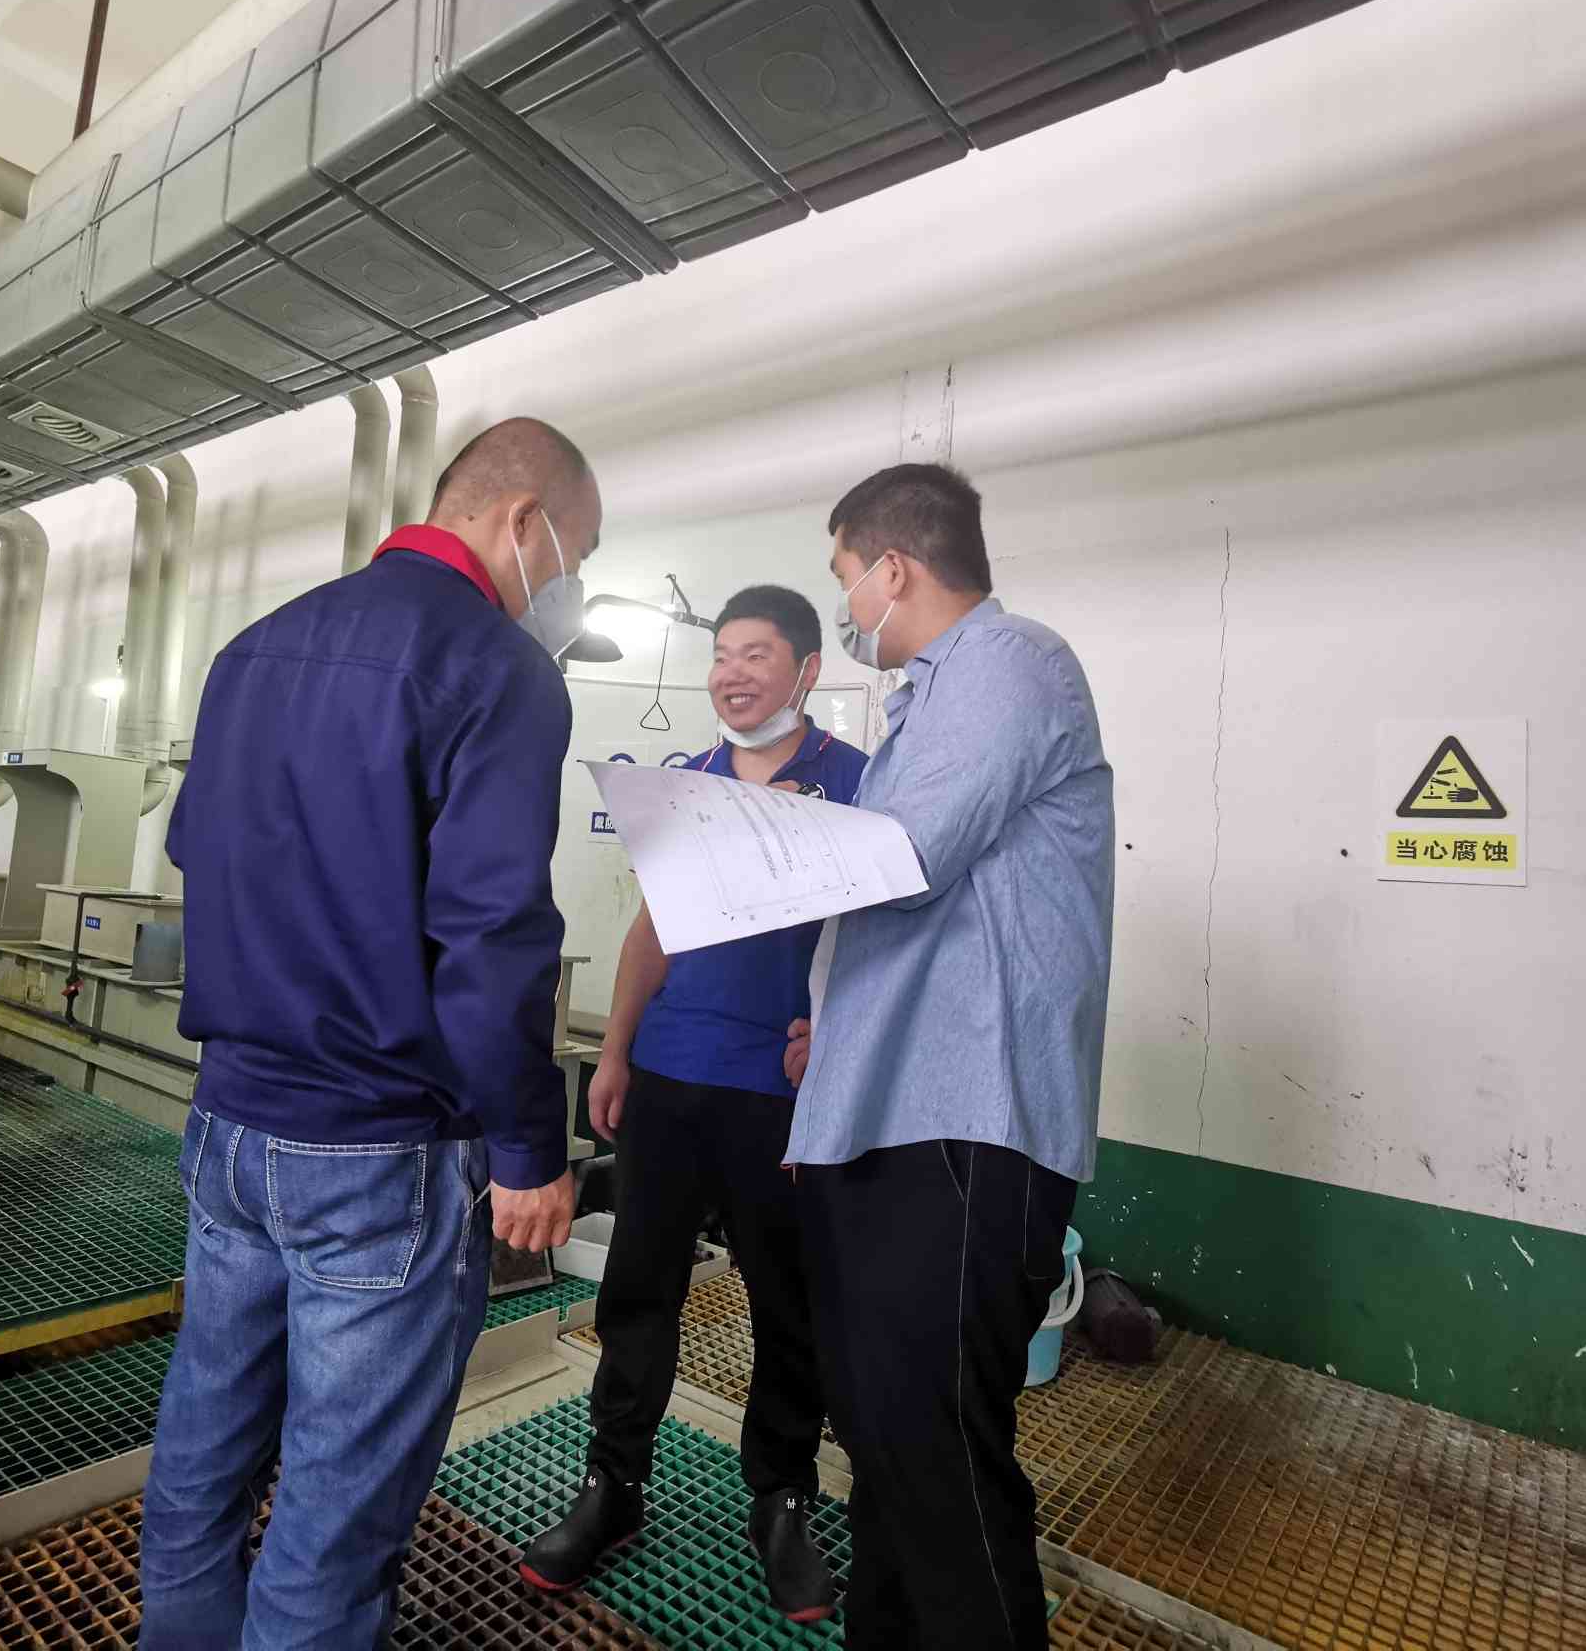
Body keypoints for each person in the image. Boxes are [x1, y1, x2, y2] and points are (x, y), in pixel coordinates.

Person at [140, 419, 601, 1649]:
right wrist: (530, 1147)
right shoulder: (502, 671)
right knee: (337, 1510)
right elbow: (494, 936)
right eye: (579, 553)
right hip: (379, 1149)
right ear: (523, 523)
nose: (568, 585)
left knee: (204, 1448)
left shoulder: (255, 646)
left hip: (229, 1124)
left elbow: (194, 848)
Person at [783, 463, 1113, 1649]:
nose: (846, 605)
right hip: (890, 1111)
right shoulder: (926, 704)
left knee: (934, 1450)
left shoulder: (1013, 661)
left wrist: (749, 840)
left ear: (892, 568)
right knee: (885, 1443)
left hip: (968, 1122)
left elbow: (903, 859)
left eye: (843, 578)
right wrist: (829, 1031)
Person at [520, 587, 866, 1623]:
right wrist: (617, 1050)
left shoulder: (856, 783)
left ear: (806, 671)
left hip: (783, 1094)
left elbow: (889, 941)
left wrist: (842, 1046)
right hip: (670, 1075)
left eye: (757, 654)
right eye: (722, 655)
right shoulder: (688, 784)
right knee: (638, 1290)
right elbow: (652, 928)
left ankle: (782, 1499)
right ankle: (613, 1485)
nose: (733, 673)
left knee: (787, 1307)